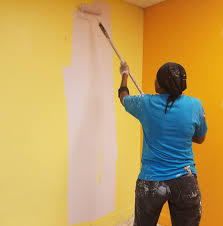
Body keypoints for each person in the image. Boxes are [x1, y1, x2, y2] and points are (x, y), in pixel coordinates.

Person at [118, 62, 207, 226]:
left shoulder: (145, 103)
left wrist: (124, 74)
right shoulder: (195, 105)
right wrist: (182, 134)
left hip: (151, 182)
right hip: (185, 180)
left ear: (159, 84)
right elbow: (200, 138)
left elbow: (123, 98)